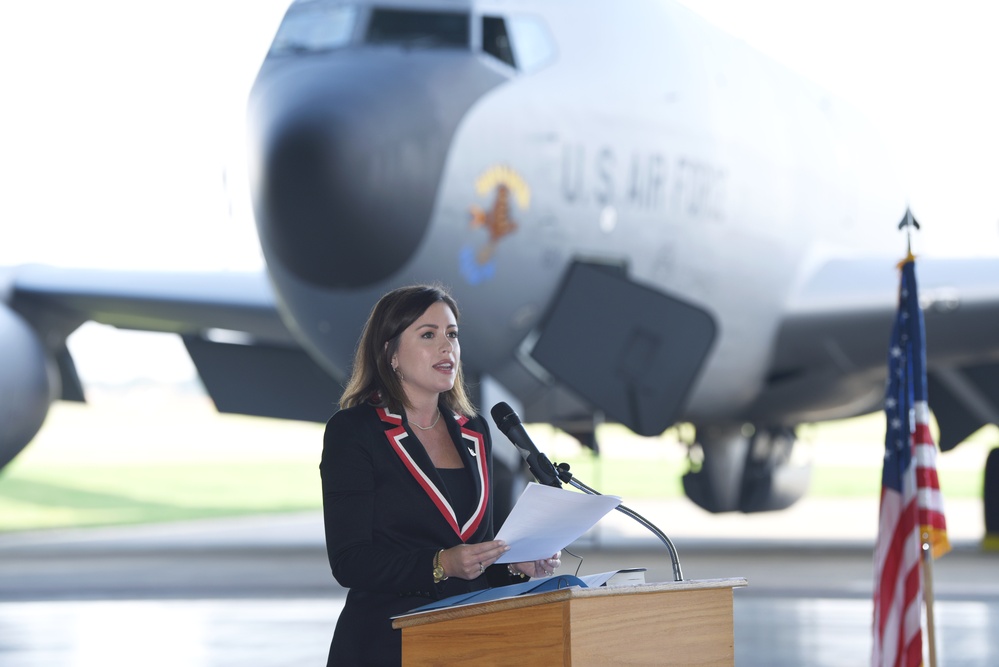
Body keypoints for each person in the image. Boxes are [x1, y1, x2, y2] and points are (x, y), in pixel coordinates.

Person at [321, 284, 560, 666]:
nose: (447, 347)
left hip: (468, 643)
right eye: (428, 335)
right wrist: (439, 564)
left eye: (452, 335)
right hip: (387, 643)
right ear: (390, 353)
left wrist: (514, 565)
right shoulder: (354, 431)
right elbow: (350, 561)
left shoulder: (474, 431)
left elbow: (472, 556)